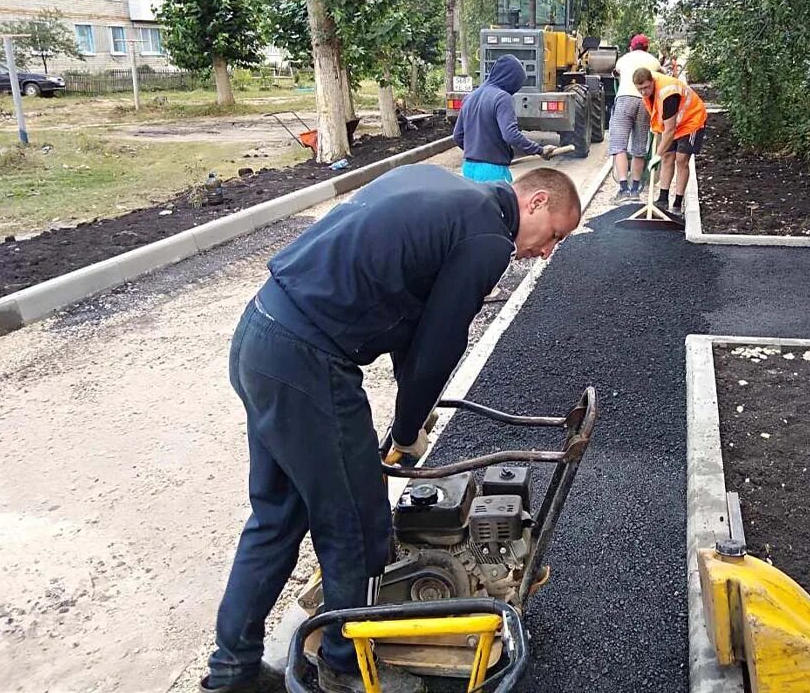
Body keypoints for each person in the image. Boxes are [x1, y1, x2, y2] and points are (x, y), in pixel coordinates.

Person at [200, 164, 581, 693]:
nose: (546, 251)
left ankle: (231, 672)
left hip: (261, 335)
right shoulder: (488, 237)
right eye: (554, 236)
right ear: (536, 202)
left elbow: (415, 326)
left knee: (277, 515)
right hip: (308, 361)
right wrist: (406, 431)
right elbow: (438, 347)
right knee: (357, 524)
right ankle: (344, 667)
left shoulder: (446, 193)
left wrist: (414, 412)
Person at [454, 54, 555, 183]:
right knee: (502, 203)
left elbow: (458, 136)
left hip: (469, 169)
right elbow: (510, 135)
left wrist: (477, 153)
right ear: (511, 80)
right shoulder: (502, 98)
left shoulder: (470, 98)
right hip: (493, 173)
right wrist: (539, 150)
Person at [632, 67, 707, 215]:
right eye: (640, 89)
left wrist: (656, 156)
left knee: (681, 159)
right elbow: (662, 121)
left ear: (652, 81)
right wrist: (661, 153)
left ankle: (677, 204)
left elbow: (670, 130)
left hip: (692, 120)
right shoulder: (649, 89)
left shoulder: (669, 94)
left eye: (646, 87)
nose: (643, 92)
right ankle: (662, 199)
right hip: (674, 123)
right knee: (667, 157)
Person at [609, 34, 661, 201]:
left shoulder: (623, 59)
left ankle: (623, 188)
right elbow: (662, 74)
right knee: (639, 146)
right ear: (647, 48)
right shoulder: (653, 60)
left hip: (624, 99)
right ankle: (636, 189)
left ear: (631, 48)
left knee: (619, 145)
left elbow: (616, 72)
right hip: (644, 101)